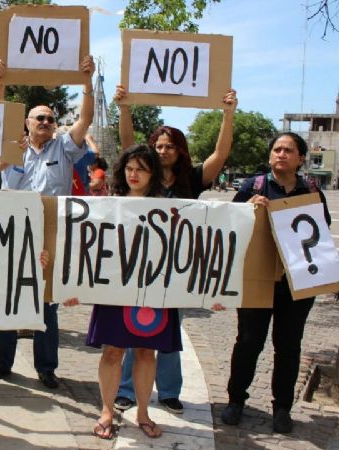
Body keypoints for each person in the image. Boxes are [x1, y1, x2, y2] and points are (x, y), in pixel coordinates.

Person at [112, 85, 237, 413]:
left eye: (170, 146)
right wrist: (124, 107)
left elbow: (220, 154)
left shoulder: (193, 179)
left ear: (181, 150)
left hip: (178, 269)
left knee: (169, 331)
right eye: (158, 146)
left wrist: (228, 114)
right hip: (142, 265)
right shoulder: (144, 178)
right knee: (134, 327)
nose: (164, 150)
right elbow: (128, 143)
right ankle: (126, 390)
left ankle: (168, 391)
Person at [0, 55, 95, 389]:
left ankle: (46, 367)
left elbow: (86, 118)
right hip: (11, 231)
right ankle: (1, 363)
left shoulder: (66, 147)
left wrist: (87, 81)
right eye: (39, 118)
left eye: (50, 118)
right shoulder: (10, 147)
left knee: (46, 303)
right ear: (27, 123)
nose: (45, 122)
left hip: (49, 233)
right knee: (6, 298)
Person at [221, 132, 331, 434]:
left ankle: (282, 408)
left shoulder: (311, 190)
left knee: (289, 345)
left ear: (300, 158)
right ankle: (236, 400)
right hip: (258, 278)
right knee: (248, 342)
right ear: (270, 156)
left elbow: (320, 231)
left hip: (296, 281)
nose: (281, 154)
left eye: (288, 150)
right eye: (277, 149)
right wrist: (248, 208)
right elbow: (230, 224)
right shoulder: (253, 186)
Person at [78, 144, 171, 440]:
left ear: (152, 173)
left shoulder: (169, 207)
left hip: (151, 289)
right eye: (129, 168)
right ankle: (106, 411)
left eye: (141, 169)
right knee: (112, 351)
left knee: (145, 351)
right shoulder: (109, 203)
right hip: (115, 288)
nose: (134, 174)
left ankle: (143, 412)